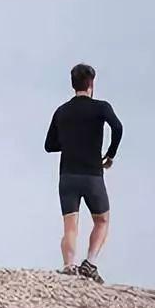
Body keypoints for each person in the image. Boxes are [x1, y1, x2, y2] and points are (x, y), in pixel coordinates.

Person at [44, 63, 123, 283]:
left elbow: (49, 145)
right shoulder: (101, 108)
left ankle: (69, 265)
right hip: (92, 174)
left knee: (70, 225)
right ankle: (90, 262)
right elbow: (118, 127)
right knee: (102, 220)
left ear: (73, 85)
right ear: (91, 84)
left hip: (67, 175)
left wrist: (70, 142)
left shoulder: (62, 111)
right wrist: (110, 154)